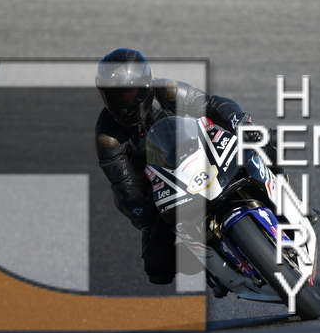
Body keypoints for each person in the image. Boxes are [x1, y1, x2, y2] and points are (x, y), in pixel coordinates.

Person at [94, 48, 255, 285]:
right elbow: (123, 184)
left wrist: (237, 120)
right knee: (158, 267)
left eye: (128, 92)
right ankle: (212, 260)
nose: (123, 102)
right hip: (163, 189)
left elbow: (211, 104)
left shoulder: (168, 91)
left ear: (145, 86)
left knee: (261, 144)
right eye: (114, 96)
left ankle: (288, 199)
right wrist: (140, 212)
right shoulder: (107, 136)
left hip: (204, 156)